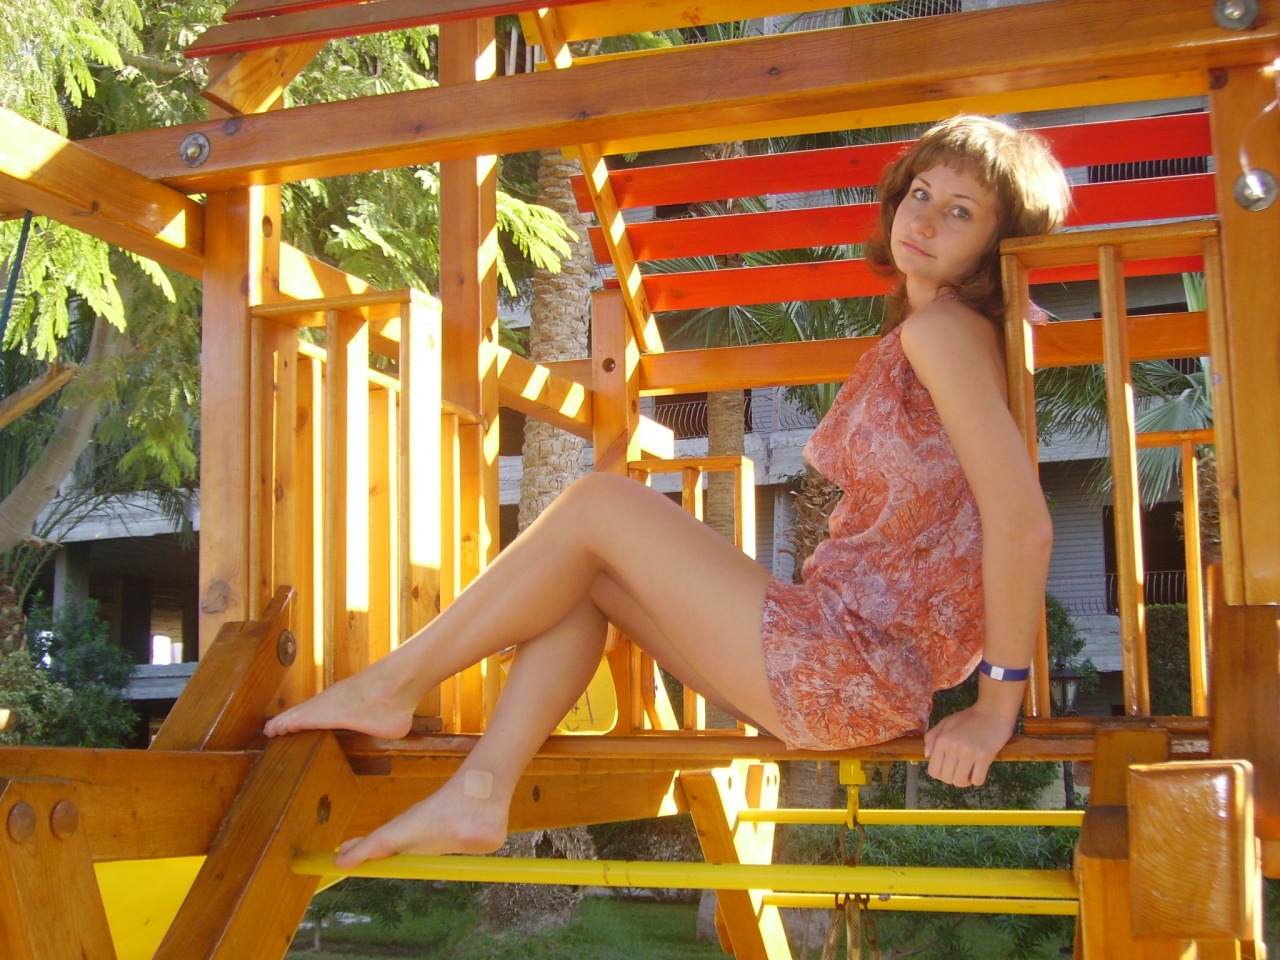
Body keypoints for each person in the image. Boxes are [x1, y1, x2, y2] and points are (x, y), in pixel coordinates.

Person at [265, 115, 1072, 869]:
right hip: (842, 670)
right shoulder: (944, 334)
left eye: (960, 212)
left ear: (998, 243)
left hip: (849, 663)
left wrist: (996, 703)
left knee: (600, 504)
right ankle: (479, 793)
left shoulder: (943, 332)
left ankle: (390, 687)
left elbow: (1022, 525)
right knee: (583, 577)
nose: (924, 220)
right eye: (921, 193)